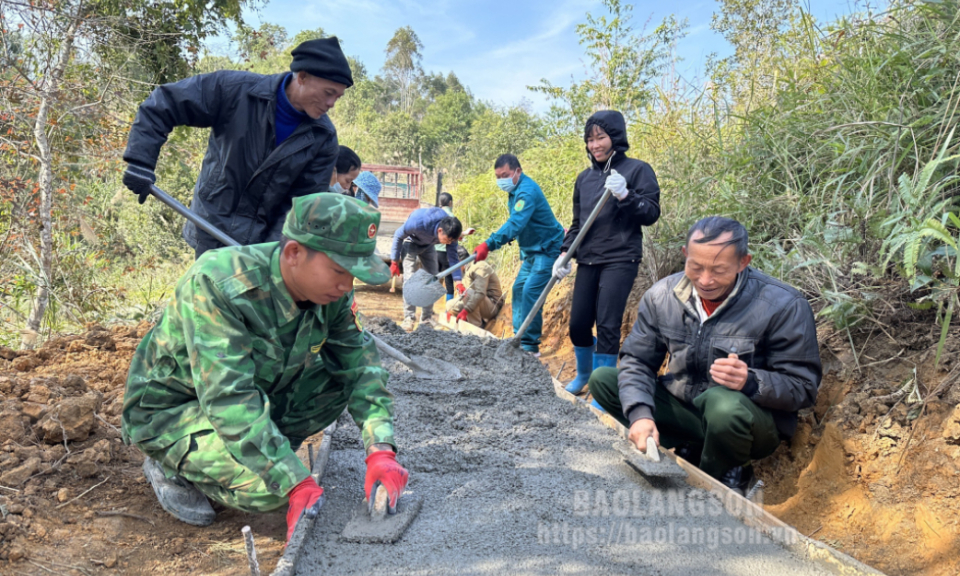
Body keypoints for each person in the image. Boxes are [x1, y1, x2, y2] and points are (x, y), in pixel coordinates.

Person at [121, 194, 408, 543]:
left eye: (355, 274)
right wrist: (293, 480)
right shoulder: (219, 283)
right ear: (293, 254)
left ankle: (257, 449)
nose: (347, 285)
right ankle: (169, 462)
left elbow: (361, 368)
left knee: (339, 382)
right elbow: (228, 397)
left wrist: (381, 450)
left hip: (258, 393)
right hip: (173, 410)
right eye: (339, 271)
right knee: (271, 490)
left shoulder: (332, 294)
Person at [588, 217, 821, 493]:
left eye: (719, 270)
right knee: (604, 379)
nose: (705, 280)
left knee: (722, 404)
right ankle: (693, 443)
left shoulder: (783, 305)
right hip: (687, 410)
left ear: (743, 262)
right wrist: (639, 415)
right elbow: (637, 360)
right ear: (686, 255)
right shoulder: (662, 296)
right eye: (695, 267)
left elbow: (803, 388)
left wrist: (751, 381)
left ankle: (728, 468)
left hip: (745, 425)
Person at [121, 37, 353, 259]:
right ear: (302, 77)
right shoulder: (235, 91)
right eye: (328, 93)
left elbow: (300, 207)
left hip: (260, 246)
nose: (331, 104)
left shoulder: (323, 138)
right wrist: (141, 162)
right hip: (210, 227)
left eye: (338, 97)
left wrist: (274, 254)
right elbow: (164, 103)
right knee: (206, 298)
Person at [555, 110, 661, 399]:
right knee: (578, 324)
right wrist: (564, 254)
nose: (595, 145)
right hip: (587, 258)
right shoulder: (584, 179)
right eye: (590, 139)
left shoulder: (637, 170)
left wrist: (627, 196)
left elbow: (651, 213)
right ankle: (584, 375)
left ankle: (604, 390)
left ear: (615, 137)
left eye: (600, 137)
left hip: (620, 258)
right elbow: (578, 224)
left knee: (607, 324)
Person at [473, 154, 564, 355]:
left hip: (547, 249)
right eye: (498, 176)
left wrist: (489, 244)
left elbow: (516, 223)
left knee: (531, 291)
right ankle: (518, 338)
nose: (501, 180)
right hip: (531, 252)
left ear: (518, 171)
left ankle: (530, 347)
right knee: (518, 288)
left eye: (504, 175)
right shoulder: (514, 191)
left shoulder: (526, 192)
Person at [389, 207, 463, 331]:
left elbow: (453, 258)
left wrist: (458, 281)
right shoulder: (418, 222)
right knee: (410, 279)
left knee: (433, 278)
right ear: (440, 231)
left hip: (428, 245)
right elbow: (398, 235)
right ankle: (409, 318)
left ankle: (426, 319)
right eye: (447, 240)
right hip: (410, 242)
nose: (449, 243)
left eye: (451, 241)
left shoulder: (451, 234)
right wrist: (394, 261)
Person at [446, 246, 503, 328]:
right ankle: (464, 323)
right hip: (478, 303)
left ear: (460, 261)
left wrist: (465, 311)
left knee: (469, 293)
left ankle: (476, 327)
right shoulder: (466, 270)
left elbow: (480, 293)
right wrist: (451, 310)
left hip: (492, 306)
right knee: (450, 304)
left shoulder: (479, 266)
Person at [435, 193, 457, 302]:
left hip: (433, 252)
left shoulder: (435, 215)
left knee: (433, 279)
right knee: (449, 281)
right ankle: (448, 308)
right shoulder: (452, 218)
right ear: (450, 203)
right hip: (446, 252)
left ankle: (427, 309)